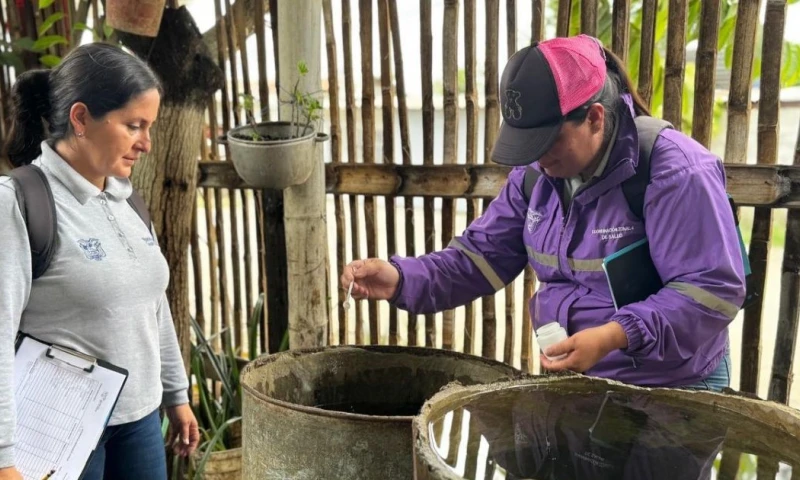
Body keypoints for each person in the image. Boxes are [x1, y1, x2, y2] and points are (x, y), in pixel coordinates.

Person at [340, 35, 745, 392]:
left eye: (546, 141)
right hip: (583, 381)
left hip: (674, 387)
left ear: (594, 118)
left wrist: (613, 335)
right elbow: (478, 260)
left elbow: (712, 291)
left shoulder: (675, 171)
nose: (535, 157)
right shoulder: (535, 177)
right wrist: (400, 278)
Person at [0, 43, 198, 480]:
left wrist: (175, 394)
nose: (146, 143)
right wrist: (2, 457)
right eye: (134, 126)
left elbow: (152, 302)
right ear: (81, 118)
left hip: (140, 420)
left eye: (149, 127)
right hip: (54, 428)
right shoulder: (18, 204)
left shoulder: (126, 201)